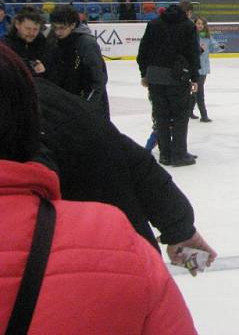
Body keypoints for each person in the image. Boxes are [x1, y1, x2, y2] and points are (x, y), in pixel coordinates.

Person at [0, 45, 197, 334]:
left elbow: (127, 154)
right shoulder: (119, 241)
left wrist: (180, 227)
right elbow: (132, 158)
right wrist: (180, 227)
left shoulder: (69, 66)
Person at [137, 4, 200, 167]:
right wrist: (195, 77)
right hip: (177, 77)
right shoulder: (188, 26)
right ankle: (179, 155)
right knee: (180, 116)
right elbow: (193, 53)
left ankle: (165, 154)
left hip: (155, 77)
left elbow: (142, 52)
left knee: (161, 117)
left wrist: (144, 73)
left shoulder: (154, 24)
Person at [45, 4, 110, 120]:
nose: (58, 32)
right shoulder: (53, 40)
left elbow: (98, 81)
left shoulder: (86, 43)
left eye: (62, 28)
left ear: (73, 25)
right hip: (64, 106)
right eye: (55, 28)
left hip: (87, 108)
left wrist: (86, 107)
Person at [193, 16, 224, 122]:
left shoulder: (206, 36)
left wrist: (220, 47)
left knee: (196, 90)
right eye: (198, 23)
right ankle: (204, 115)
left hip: (204, 68)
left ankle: (189, 111)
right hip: (194, 67)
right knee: (199, 91)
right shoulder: (191, 36)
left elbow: (214, 46)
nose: (200, 25)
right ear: (195, 24)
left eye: (202, 24)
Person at [0, 5, 47, 76]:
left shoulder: (41, 40)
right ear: (17, 24)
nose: (31, 33)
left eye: (35, 29)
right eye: (28, 28)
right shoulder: (5, 45)